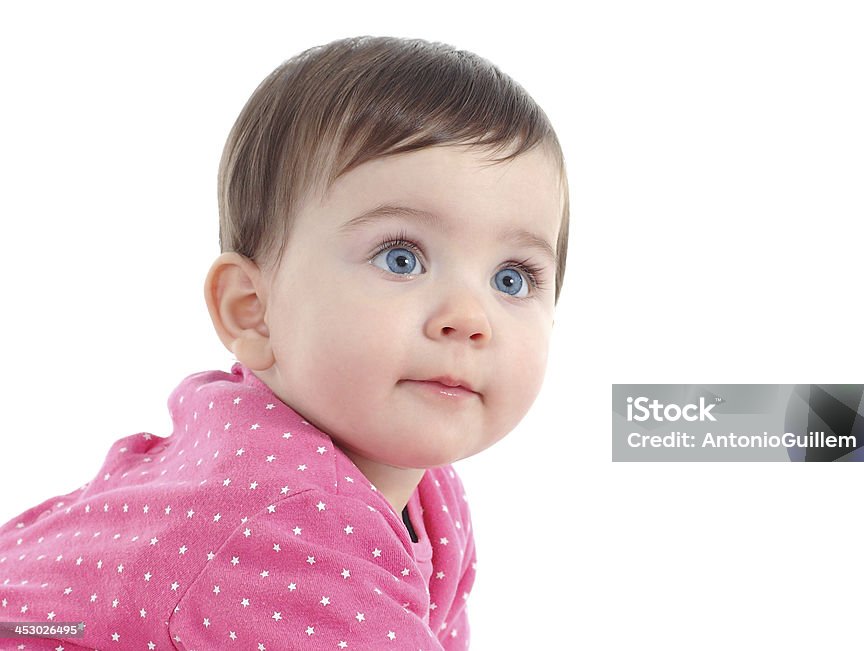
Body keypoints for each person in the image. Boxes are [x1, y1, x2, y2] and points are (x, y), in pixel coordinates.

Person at [0, 36, 569, 650]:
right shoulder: (288, 521)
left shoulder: (426, 486)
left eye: (513, 278)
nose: (469, 317)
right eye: (401, 258)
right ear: (255, 312)